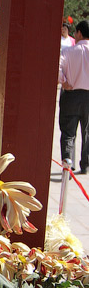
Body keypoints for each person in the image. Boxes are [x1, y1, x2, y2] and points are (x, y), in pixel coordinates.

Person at [58, 19, 89, 174]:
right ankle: (86, 164)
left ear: (79, 33)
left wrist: (63, 82)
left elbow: (57, 68)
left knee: (68, 132)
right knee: (87, 131)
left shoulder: (68, 51)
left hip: (71, 94)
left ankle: (67, 164)